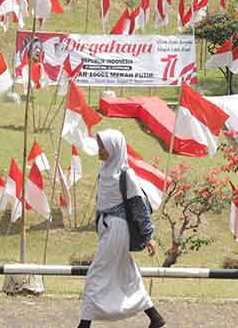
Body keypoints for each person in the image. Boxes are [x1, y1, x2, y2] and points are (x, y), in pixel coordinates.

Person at [78, 129, 165, 328]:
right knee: (128, 274)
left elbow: (139, 207)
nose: (100, 150)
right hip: (107, 229)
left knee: (96, 274)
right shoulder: (105, 172)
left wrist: (148, 236)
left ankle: (84, 324)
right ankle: (155, 317)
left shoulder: (126, 176)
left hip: (117, 229)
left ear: (114, 149)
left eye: (103, 146)